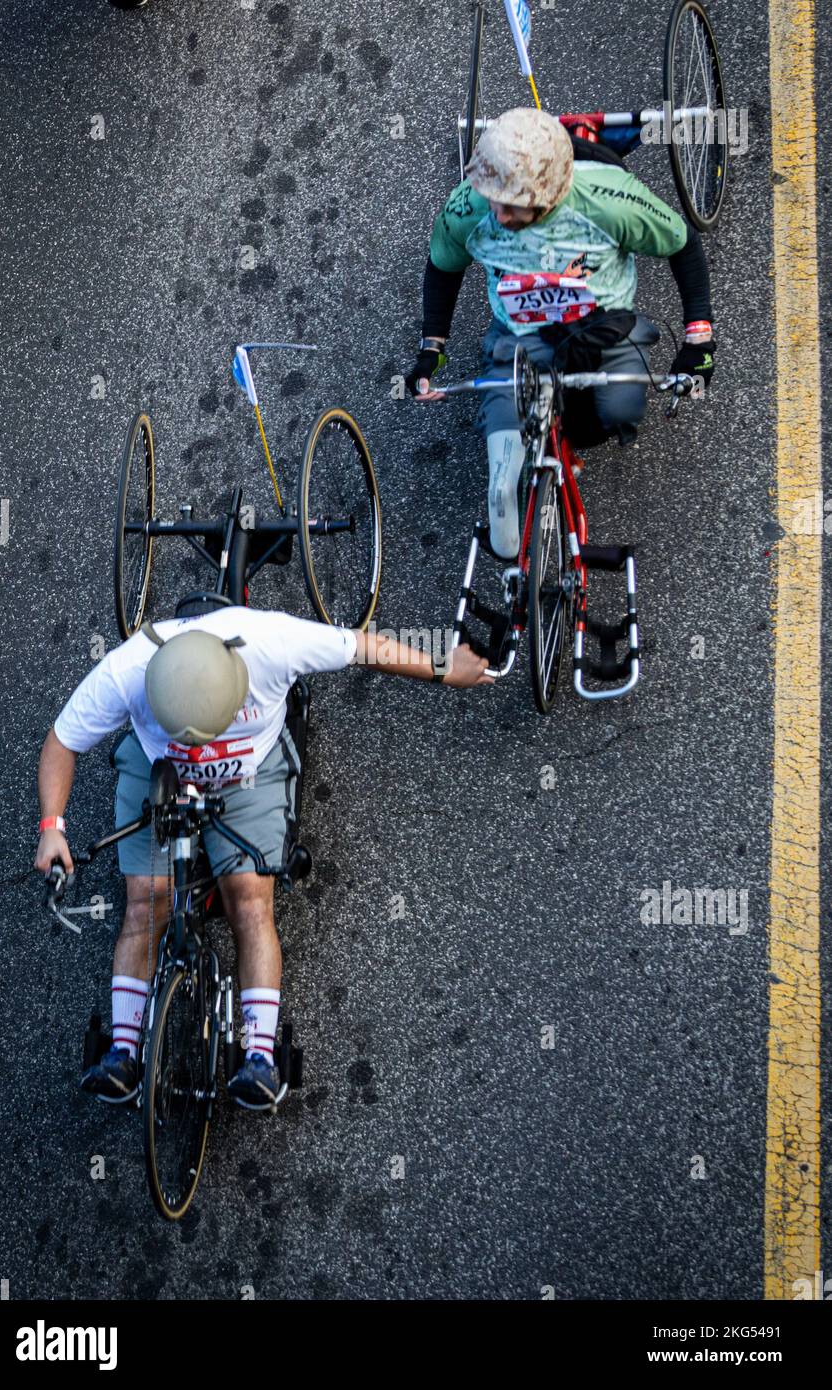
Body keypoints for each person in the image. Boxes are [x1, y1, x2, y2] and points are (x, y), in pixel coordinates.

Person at [35, 604, 491, 1107]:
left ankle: (259, 1056)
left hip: (249, 776)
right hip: (158, 770)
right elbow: (62, 740)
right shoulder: (129, 669)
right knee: (146, 903)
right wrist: (52, 828)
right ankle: (124, 1051)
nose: (200, 751)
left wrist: (447, 669)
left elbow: (364, 649)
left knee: (250, 901)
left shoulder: (274, 643)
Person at [404, 107, 716, 561]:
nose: (497, 212)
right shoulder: (469, 204)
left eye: (513, 204)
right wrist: (432, 349)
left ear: (549, 196)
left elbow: (682, 244)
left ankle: (577, 436)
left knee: (618, 409)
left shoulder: (611, 200)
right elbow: (444, 266)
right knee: (500, 499)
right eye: (492, 196)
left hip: (601, 326)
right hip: (518, 334)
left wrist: (698, 340)